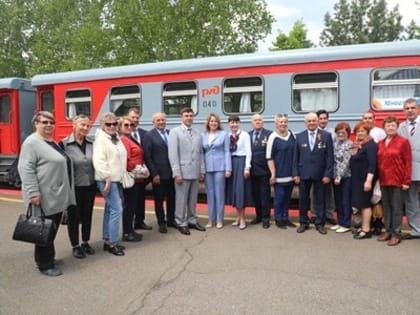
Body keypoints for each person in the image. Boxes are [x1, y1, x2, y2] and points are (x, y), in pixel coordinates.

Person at [18, 111, 75, 276]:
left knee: (51, 228)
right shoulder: (31, 143)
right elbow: (26, 169)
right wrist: (33, 193)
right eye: (44, 122)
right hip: (42, 196)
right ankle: (44, 264)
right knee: (44, 229)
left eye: (51, 122)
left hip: (54, 195)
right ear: (36, 123)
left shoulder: (50, 142)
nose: (49, 125)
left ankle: (47, 258)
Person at [60, 114, 96, 259]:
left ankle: (85, 242)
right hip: (74, 187)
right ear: (74, 125)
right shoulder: (63, 144)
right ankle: (75, 245)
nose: (85, 128)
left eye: (87, 125)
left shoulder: (92, 143)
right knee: (74, 217)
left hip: (90, 185)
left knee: (87, 216)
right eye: (82, 125)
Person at [292, 112, 334, 235]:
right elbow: (296, 157)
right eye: (309, 121)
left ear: (317, 122)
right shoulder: (299, 136)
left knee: (320, 200)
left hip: (320, 174)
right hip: (303, 174)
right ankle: (303, 223)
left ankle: (320, 224)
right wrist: (296, 174)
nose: (311, 123)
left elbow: (329, 157)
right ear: (305, 123)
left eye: (313, 121)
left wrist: (328, 174)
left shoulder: (326, 136)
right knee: (303, 200)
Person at [168, 107, 206, 235]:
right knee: (181, 199)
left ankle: (192, 220)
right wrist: (176, 173)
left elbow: (200, 153)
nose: (189, 118)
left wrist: (202, 170)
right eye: (186, 115)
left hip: (195, 172)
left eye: (191, 115)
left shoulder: (197, 133)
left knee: (193, 199)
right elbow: (173, 154)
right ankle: (180, 221)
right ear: (181, 117)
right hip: (182, 173)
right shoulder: (175, 132)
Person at [93, 112, 127, 256]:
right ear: (103, 126)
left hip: (116, 179)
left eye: (114, 124)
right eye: (108, 124)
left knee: (110, 209)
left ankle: (107, 240)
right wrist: (106, 178)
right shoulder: (101, 140)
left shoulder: (115, 138)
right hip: (107, 180)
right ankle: (113, 243)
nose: (112, 126)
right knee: (117, 210)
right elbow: (99, 161)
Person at [377, 116, 411, 246]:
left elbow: (407, 162)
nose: (390, 128)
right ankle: (388, 230)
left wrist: (406, 181)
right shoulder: (380, 143)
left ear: (397, 127)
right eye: (388, 125)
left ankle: (396, 233)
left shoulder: (403, 142)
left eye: (393, 125)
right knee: (387, 207)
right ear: (384, 128)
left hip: (398, 180)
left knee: (396, 208)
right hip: (384, 180)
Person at [144, 112, 176, 234]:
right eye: (158, 120)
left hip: (171, 173)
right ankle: (161, 223)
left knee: (172, 198)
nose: (161, 122)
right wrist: (154, 174)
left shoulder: (170, 133)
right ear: (154, 122)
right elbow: (148, 156)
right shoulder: (149, 135)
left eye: (163, 120)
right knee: (159, 200)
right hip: (158, 174)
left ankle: (171, 220)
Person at [201, 113, 232, 229]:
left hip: (220, 167)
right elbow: (202, 153)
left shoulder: (224, 134)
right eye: (211, 121)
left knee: (219, 194)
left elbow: (227, 151)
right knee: (210, 194)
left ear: (218, 123)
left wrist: (228, 168)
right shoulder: (203, 135)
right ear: (208, 123)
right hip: (208, 168)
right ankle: (210, 219)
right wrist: (202, 169)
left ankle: (219, 219)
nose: (213, 123)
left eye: (215, 121)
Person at [266, 114, 296, 229]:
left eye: (285, 122)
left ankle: (285, 217)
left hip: (290, 173)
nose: (283, 124)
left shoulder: (292, 135)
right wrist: (273, 174)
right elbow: (269, 157)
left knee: (288, 197)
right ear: (276, 124)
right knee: (280, 197)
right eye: (280, 122)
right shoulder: (272, 137)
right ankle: (278, 218)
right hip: (279, 174)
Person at [119, 116, 146, 242]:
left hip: (136, 177)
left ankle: (130, 230)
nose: (129, 127)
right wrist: (138, 169)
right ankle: (127, 233)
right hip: (131, 177)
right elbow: (126, 160)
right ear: (120, 127)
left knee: (132, 205)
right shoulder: (124, 139)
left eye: (131, 125)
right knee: (129, 206)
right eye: (126, 125)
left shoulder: (130, 138)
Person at [350, 121, 377, 240]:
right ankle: (363, 226)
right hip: (357, 179)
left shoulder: (371, 145)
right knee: (361, 204)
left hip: (364, 179)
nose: (360, 133)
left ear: (367, 132)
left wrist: (368, 181)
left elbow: (372, 164)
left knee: (365, 205)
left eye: (362, 131)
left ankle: (366, 230)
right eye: (358, 131)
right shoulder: (361, 144)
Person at [398, 98, 420, 240]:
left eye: (412, 107)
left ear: (417, 109)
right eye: (407, 108)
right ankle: (416, 230)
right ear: (404, 111)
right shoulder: (401, 127)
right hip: (409, 172)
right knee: (411, 202)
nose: (410, 110)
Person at [226, 115, 253, 230]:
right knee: (234, 192)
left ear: (239, 123)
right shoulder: (227, 136)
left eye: (236, 122)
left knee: (241, 191)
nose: (234, 125)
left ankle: (242, 218)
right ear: (229, 124)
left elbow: (248, 152)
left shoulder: (245, 135)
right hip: (231, 162)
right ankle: (237, 217)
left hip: (241, 162)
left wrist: (247, 167)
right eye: (231, 123)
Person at [127, 107, 152, 231]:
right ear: (128, 118)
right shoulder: (124, 134)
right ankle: (129, 225)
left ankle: (140, 221)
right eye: (133, 117)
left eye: (137, 118)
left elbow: (147, 153)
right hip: (130, 173)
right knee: (130, 200)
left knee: (141, 198)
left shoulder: (144, 133)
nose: (135, 120)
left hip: (142, 173)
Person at [362, 111, 385, 234]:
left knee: (377, 198)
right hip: (365, 170)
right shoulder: (362, 132)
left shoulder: (380, 132)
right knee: (367, 197)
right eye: (365, 118)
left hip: (376, 169)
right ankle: (368, 222)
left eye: (370, 118)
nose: (368, 120)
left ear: (374, 120)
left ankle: (378, 223)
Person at [311, 109, 336, 225]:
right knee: (314, 192)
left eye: (324, 118)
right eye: (320, 118)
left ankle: (329, 214)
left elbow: (332, 152)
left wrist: (330, 171)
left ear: (328, 119)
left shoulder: (332, 133)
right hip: (314, 168)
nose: (322, 121)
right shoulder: (312, 132)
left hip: (327, 167)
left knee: (328, 193)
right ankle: (314, 214)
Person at [249, 114, 272, 228]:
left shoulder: (269, 134)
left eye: (259, 120)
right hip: (252, 170)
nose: (257, 122)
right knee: (255, 195)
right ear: (252, 123)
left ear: (263, 122)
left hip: (264, 170)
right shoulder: (248, 135)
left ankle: (265, 218)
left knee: (265, 195)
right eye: (255, 120)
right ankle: (258, 216)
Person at [331, 122, 353, 233]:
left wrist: (339, 176)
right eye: (338, 132)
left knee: (345, 201)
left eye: (343, 132)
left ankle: (346, 223)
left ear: (348, 133)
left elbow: (346, 162)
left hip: (346, 177)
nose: (340, 134)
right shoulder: (336, 143)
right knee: (338, 200)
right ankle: (340, 222)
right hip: (336, 177)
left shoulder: (349, 144)